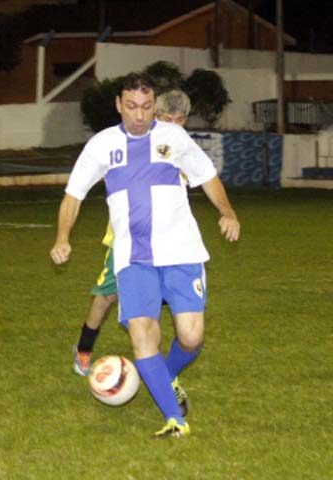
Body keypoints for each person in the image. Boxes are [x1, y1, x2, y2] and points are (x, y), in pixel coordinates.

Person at [51, 74, 240, 439]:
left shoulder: (174, 137)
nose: (140, 115)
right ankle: (175, 420)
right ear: (119, 105)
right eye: (132, 107)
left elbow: (206, 176)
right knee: (143, 335)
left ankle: (165, 377)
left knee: (191, 337)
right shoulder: (101, 146)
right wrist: (63, 237)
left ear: (155, 105)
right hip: (133, 258)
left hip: (181, 251)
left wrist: (227, 212)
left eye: (147, 106)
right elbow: (73, 195)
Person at [72, 89, 194, 380]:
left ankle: (160, 362)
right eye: (168, 118)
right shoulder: (135, 143)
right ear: (155, 116)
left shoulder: (181, 148)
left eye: (180, 119)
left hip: (167, 242)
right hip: (127, 240)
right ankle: (84, 347)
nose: (174, 125)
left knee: (172, 298)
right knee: (107, 295)